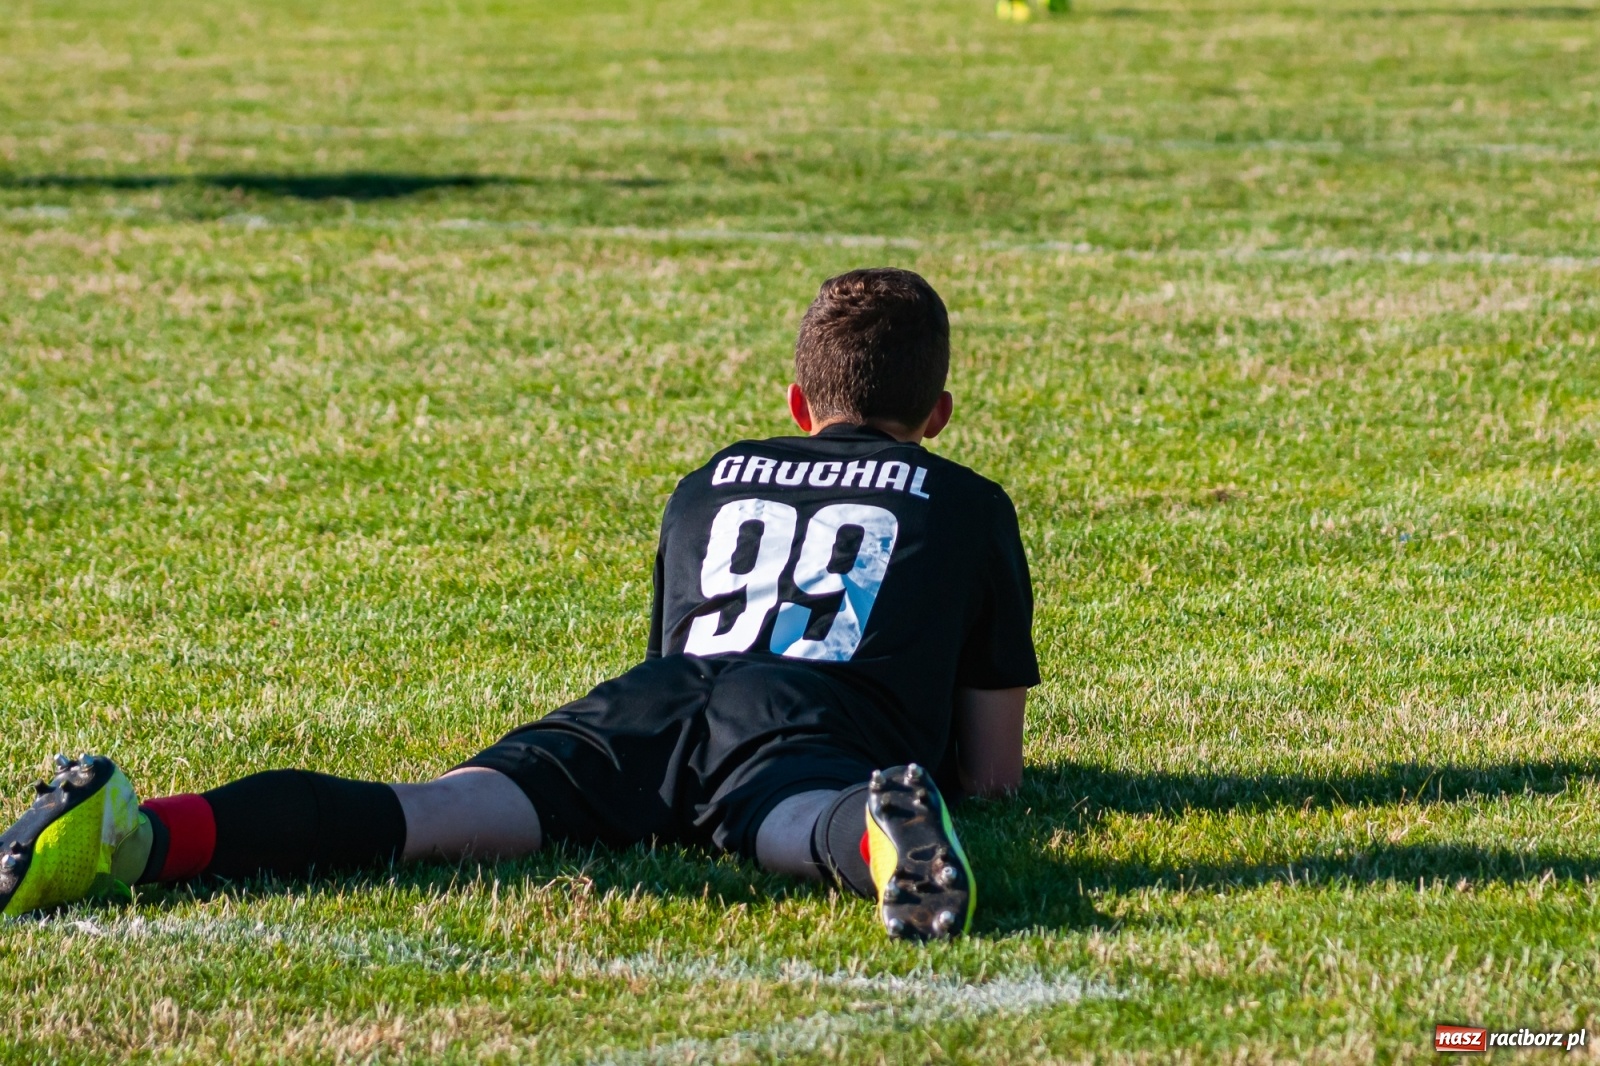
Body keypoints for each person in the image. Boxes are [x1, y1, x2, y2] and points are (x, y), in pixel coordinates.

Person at [0, 267, 1039, 941]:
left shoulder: (709, 479)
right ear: (938, 414)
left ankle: (140, 833)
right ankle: (868, 829)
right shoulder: (966, 501)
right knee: (785, 814)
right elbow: (992, 775)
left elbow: (691, 648)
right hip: (803, 722)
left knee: (427, 810)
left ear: (797, 405)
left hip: (648, 700)